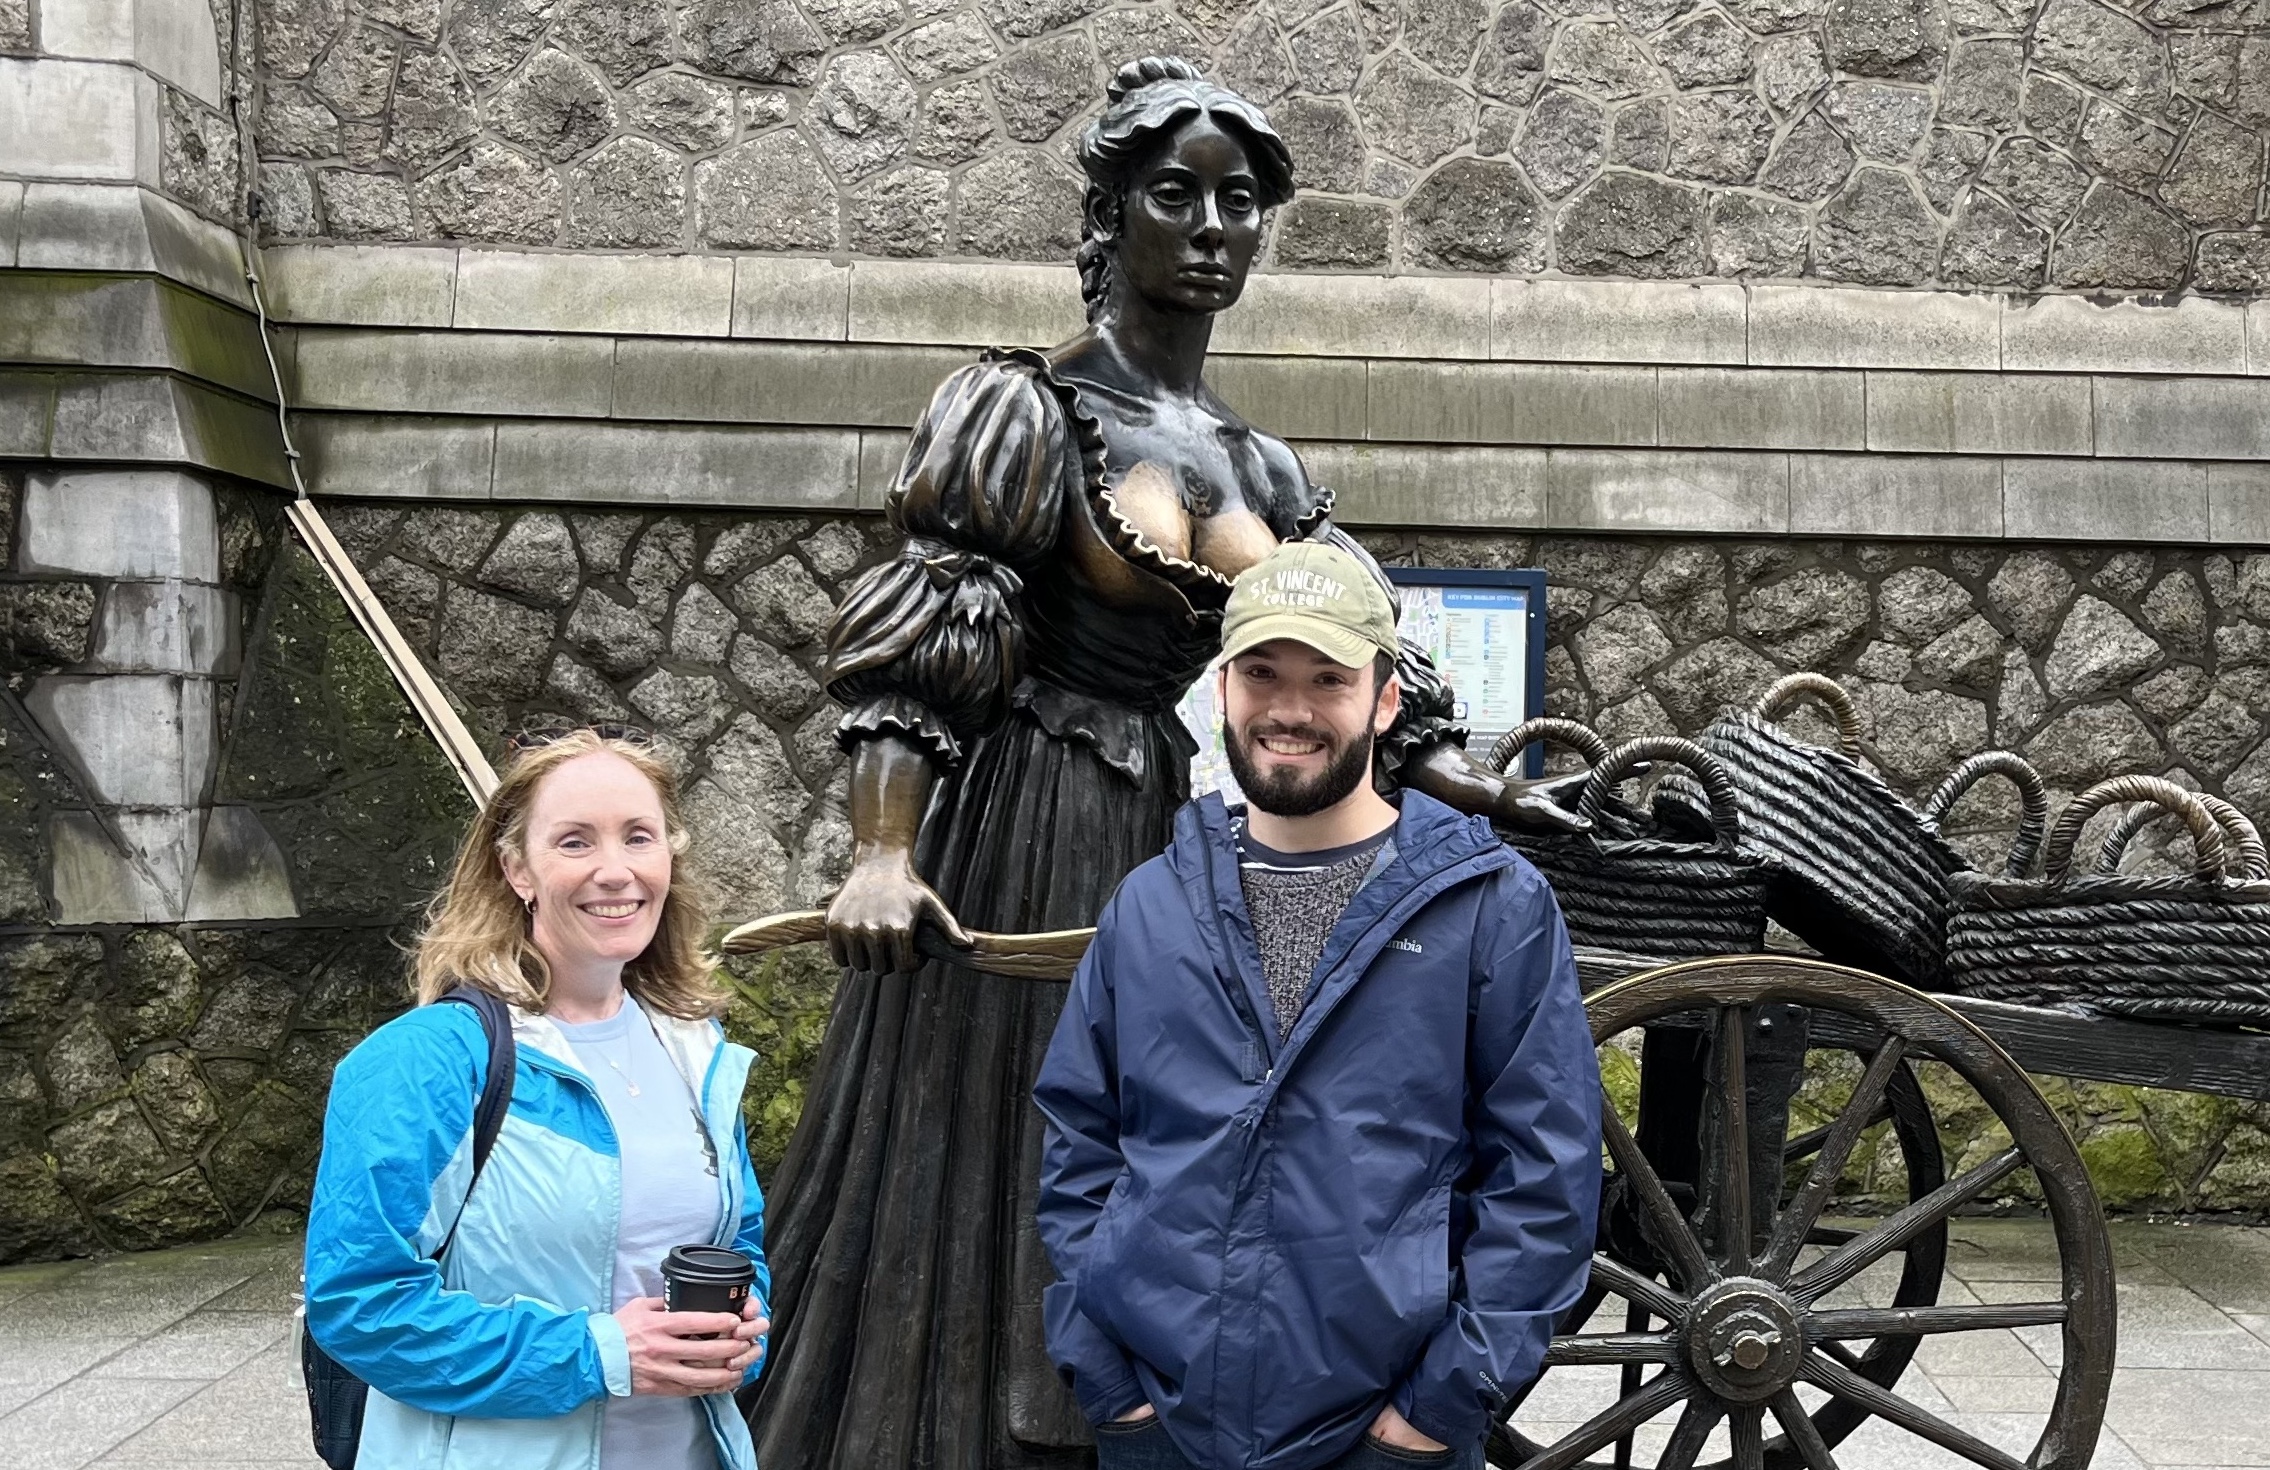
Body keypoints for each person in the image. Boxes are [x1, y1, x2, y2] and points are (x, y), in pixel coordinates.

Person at [746, 57, 1587, 1469]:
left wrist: (1479, 788)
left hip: (1175, 825)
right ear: (1109, 212)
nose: (1210, 226)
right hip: (1023, 814)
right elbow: (920, 644)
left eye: (1241, 202)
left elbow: (1341, 674)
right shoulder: (1022, 411)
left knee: (1193, 1138)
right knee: (1015, 1139)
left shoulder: (1264, 468)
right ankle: (988, 1425)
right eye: (1174, 193)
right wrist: (883, 849)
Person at [1033, 541, 1605, 1470]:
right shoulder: (1150, 903)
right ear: (1221, 690)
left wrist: (1438, 1411)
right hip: (1164, 1431)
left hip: (1387, 1439)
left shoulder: (1490, 906)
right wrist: (1109, 1382)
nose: (1289, 710)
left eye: (1327, 679)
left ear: (1383, 700)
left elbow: (1545, 1180)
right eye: (1260, 673)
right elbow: (1080, 1143)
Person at [305, 727, 770, 1470]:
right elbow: (359, 1305)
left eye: (639, 837)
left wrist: (747, 1324)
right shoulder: (427, 1060)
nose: (615, 871)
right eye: (576, 843)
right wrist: (599, 1353)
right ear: (517, 869)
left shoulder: (697, 1049)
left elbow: (738, 1241)